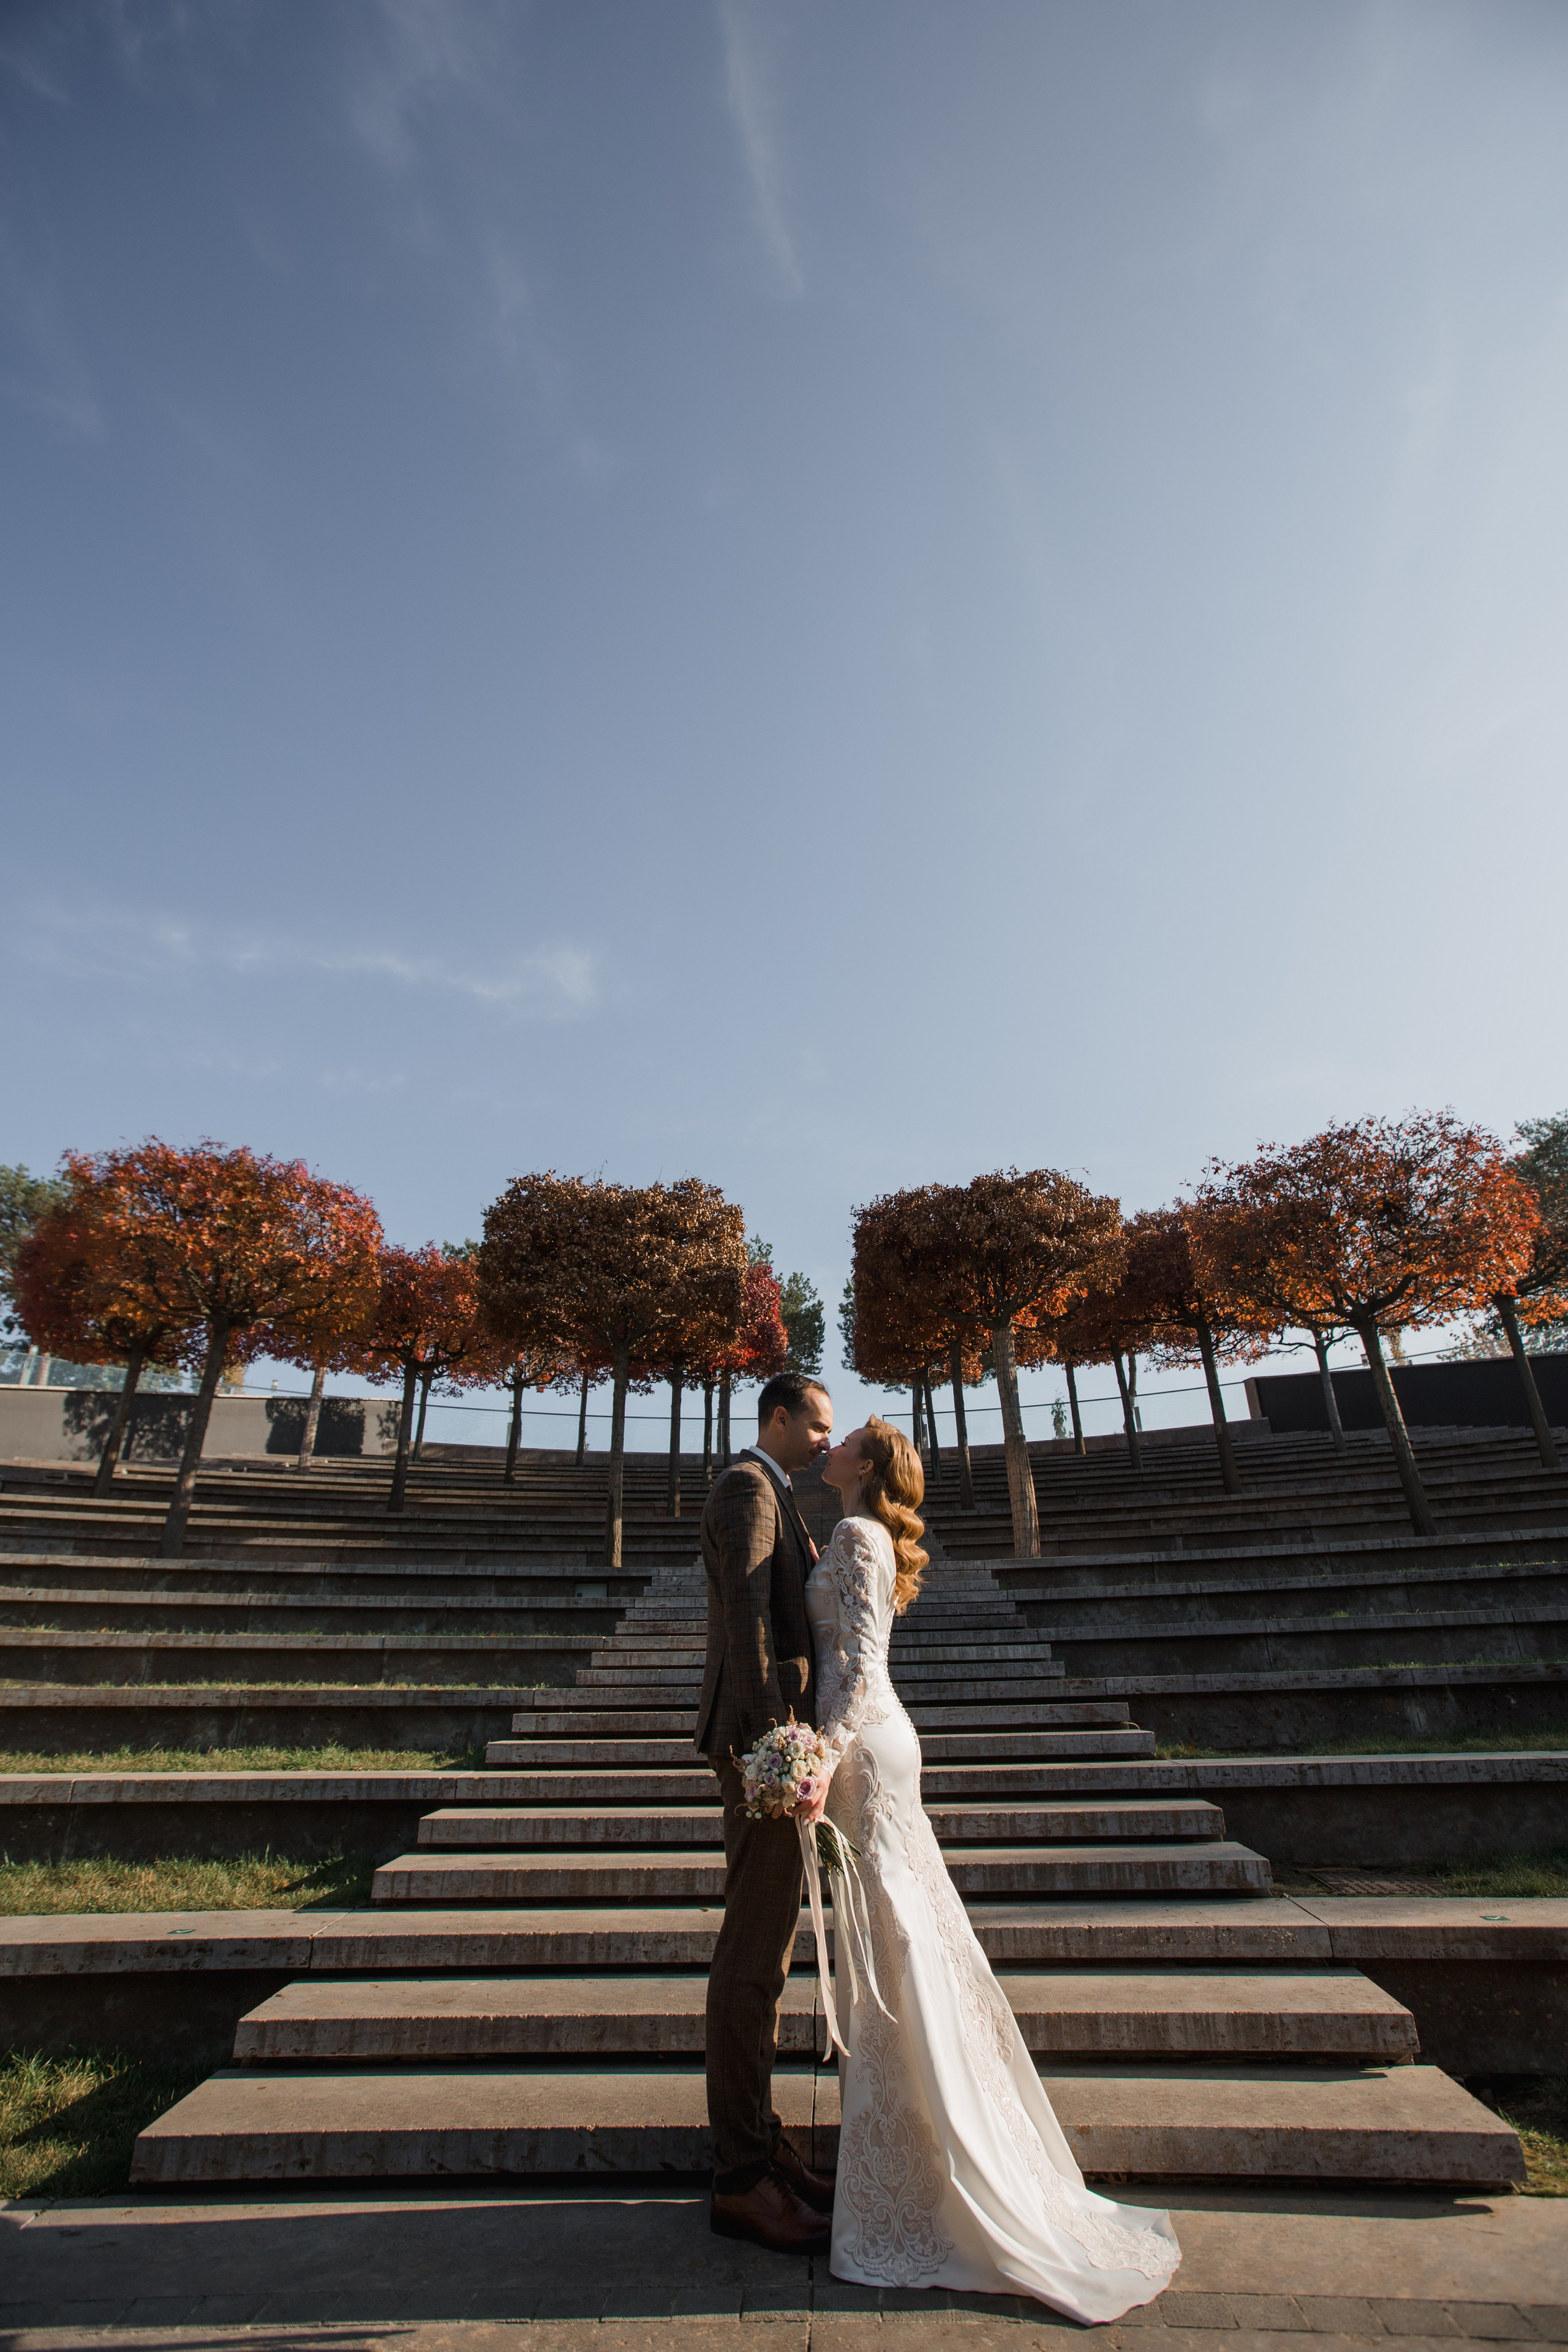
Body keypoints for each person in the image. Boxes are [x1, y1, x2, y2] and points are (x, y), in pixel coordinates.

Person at [808, 1415, 1182, 2323]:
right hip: (868, 1750)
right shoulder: (853, 1532)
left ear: (865, 1466)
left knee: (897, 1949)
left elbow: (857, 1668)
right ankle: (923, 2162)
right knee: (900, 1948)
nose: (830, 1443)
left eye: (844, 1437)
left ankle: (937, 2179)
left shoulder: (857, 1534)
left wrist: (816, 1759)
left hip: (862, 1749)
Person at [698, 1369, 838, 2255]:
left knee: (767, 1954)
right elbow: (750, 1630)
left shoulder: (772, 1489)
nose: (827, 1437)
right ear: (777, 1419)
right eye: (817, 1424)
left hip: (770, 1747)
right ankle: (741, 2177)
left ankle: (760, 2142)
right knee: (752, 1960)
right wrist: (771, 1757)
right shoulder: (748, 1488)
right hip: (764, 1751)